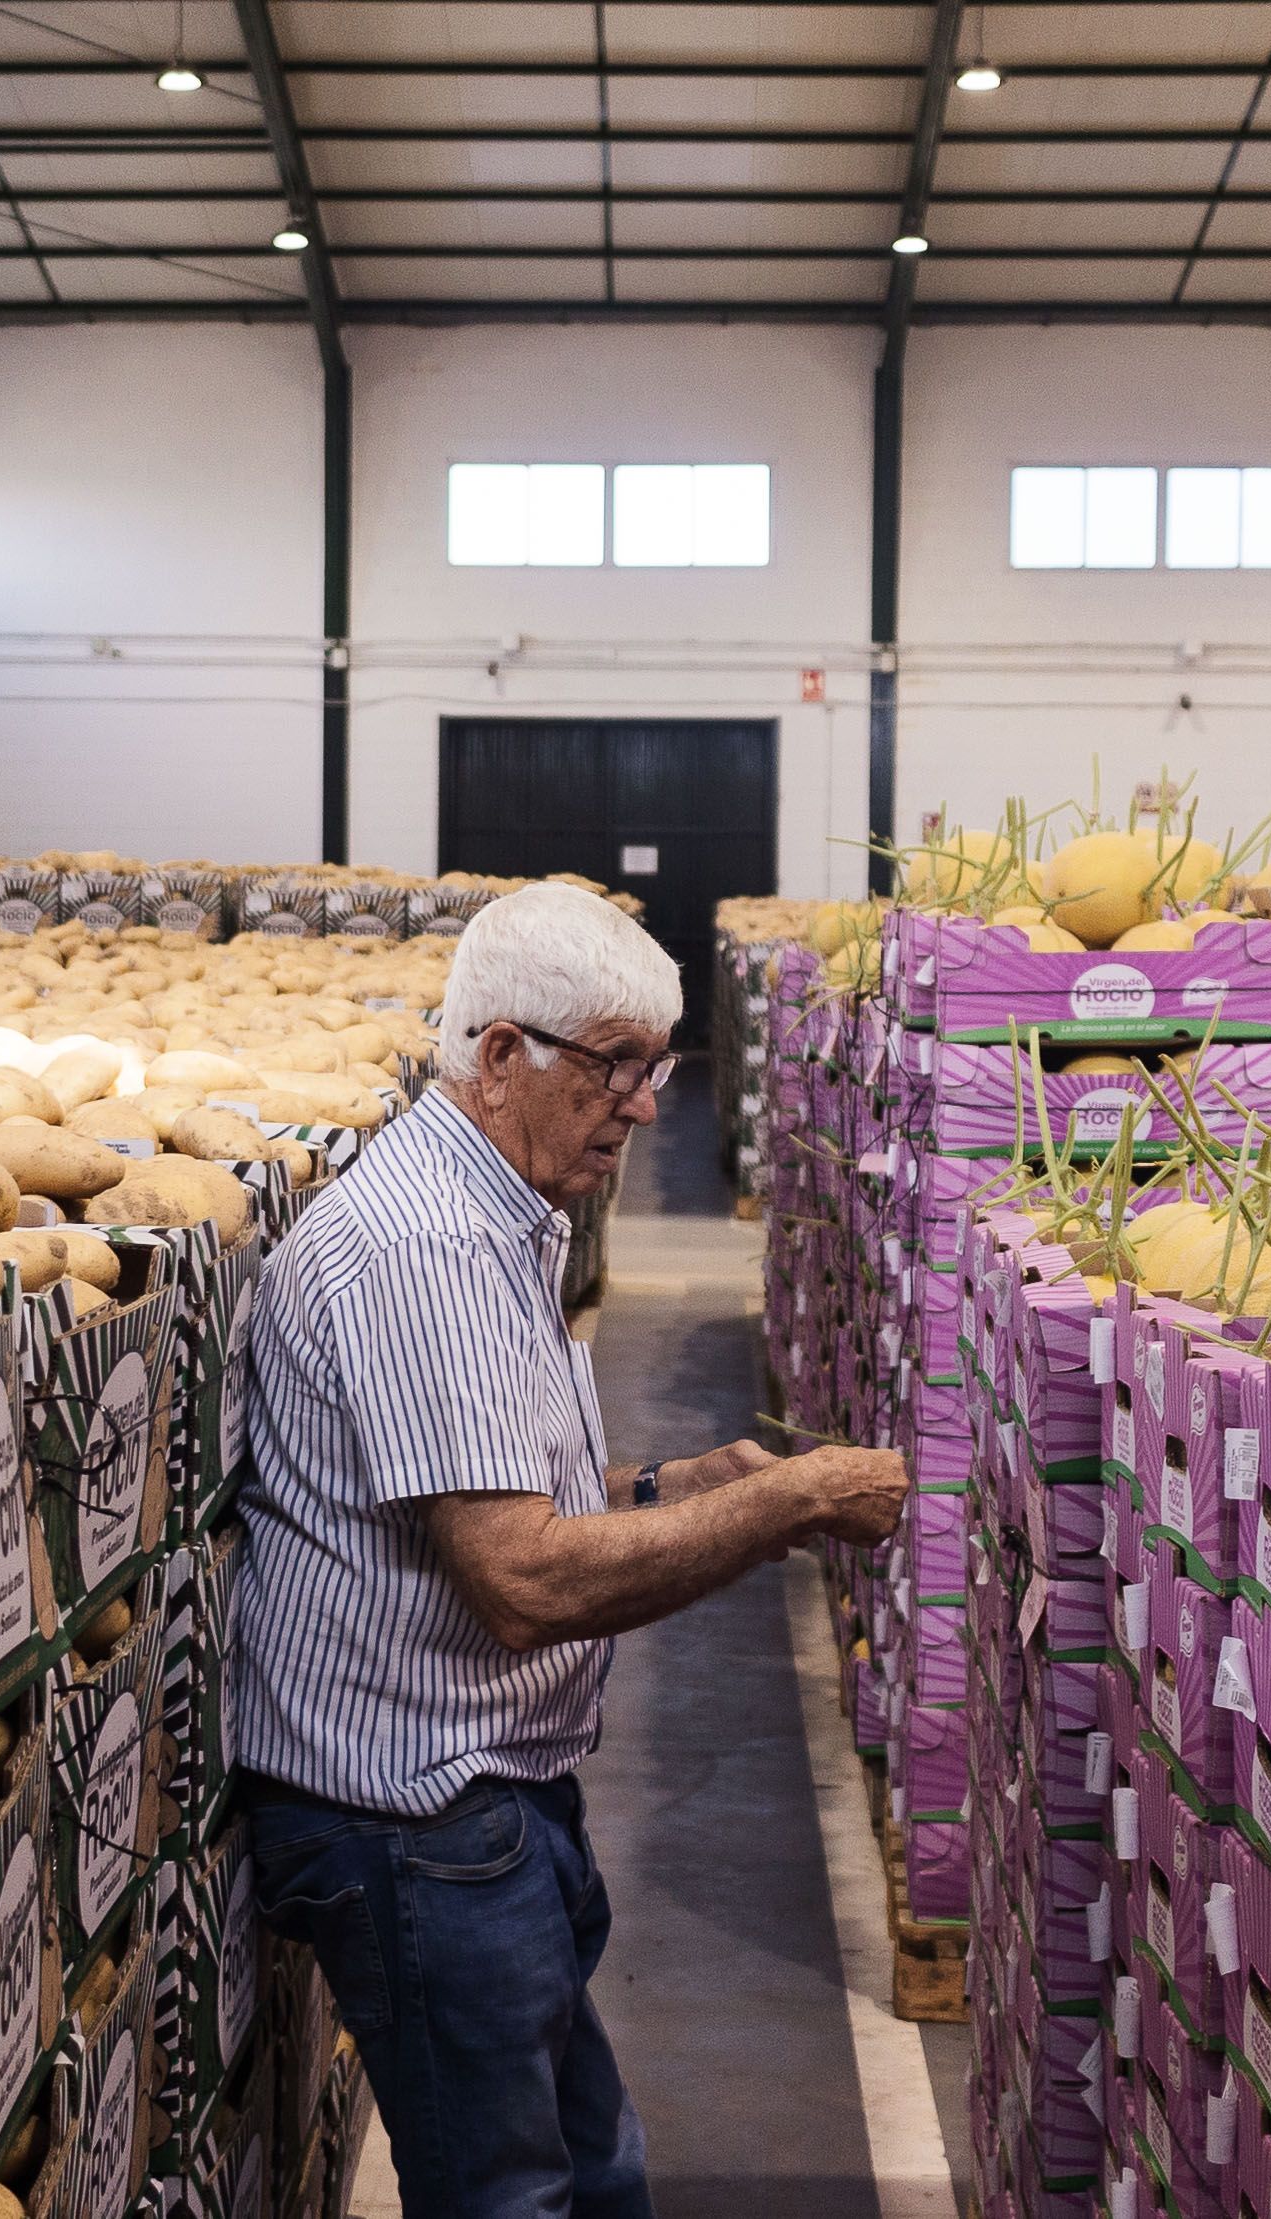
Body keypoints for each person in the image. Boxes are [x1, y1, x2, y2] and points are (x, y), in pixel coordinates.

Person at [231, 881, 911, 2219]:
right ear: (500, 1055)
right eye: (616, 1065)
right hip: (413, 1816)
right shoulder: (421, 1247)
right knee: (512, 2196)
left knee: (591, 2176)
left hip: (479, 1800)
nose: (649, 1104)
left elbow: (485, 1491)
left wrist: (675, 1483)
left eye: (657, 1068)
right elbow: (523, 1580)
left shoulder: (487, 1218)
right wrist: (784, 1505)